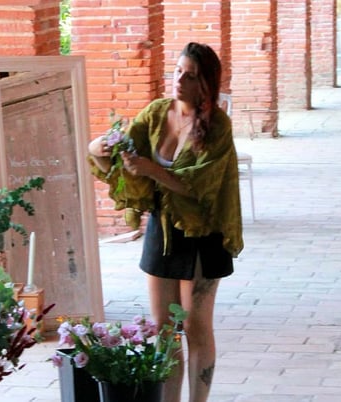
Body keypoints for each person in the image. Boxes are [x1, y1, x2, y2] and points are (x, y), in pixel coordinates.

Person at [87, 42, 243, 402]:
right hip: (163, 227)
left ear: (205, 83)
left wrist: (152, 170)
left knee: (195, 326)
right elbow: (130, 152)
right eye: (177, 71)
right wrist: (102, 148)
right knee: (164, 328)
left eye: (190, 76)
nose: (179, 80)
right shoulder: (156, 113)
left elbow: (200, 184)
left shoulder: (218, 126)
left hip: (204, 230)